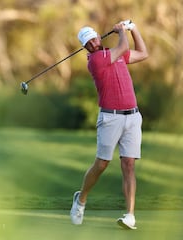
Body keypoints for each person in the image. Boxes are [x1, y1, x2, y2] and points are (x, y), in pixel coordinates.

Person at [70, 20, 148, 229]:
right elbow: (122, 46)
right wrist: (122, 31)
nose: (93, 44)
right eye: (88, 43)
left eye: (94, 39)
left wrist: (134, 29)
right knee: (102, 163)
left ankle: (130, 215)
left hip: (132, 116)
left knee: (129, 165)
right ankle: (81, 200)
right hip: (110, 118)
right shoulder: (95, 60)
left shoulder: (116, 54)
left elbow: (143, 53)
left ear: (98, 37)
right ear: (85, 47)